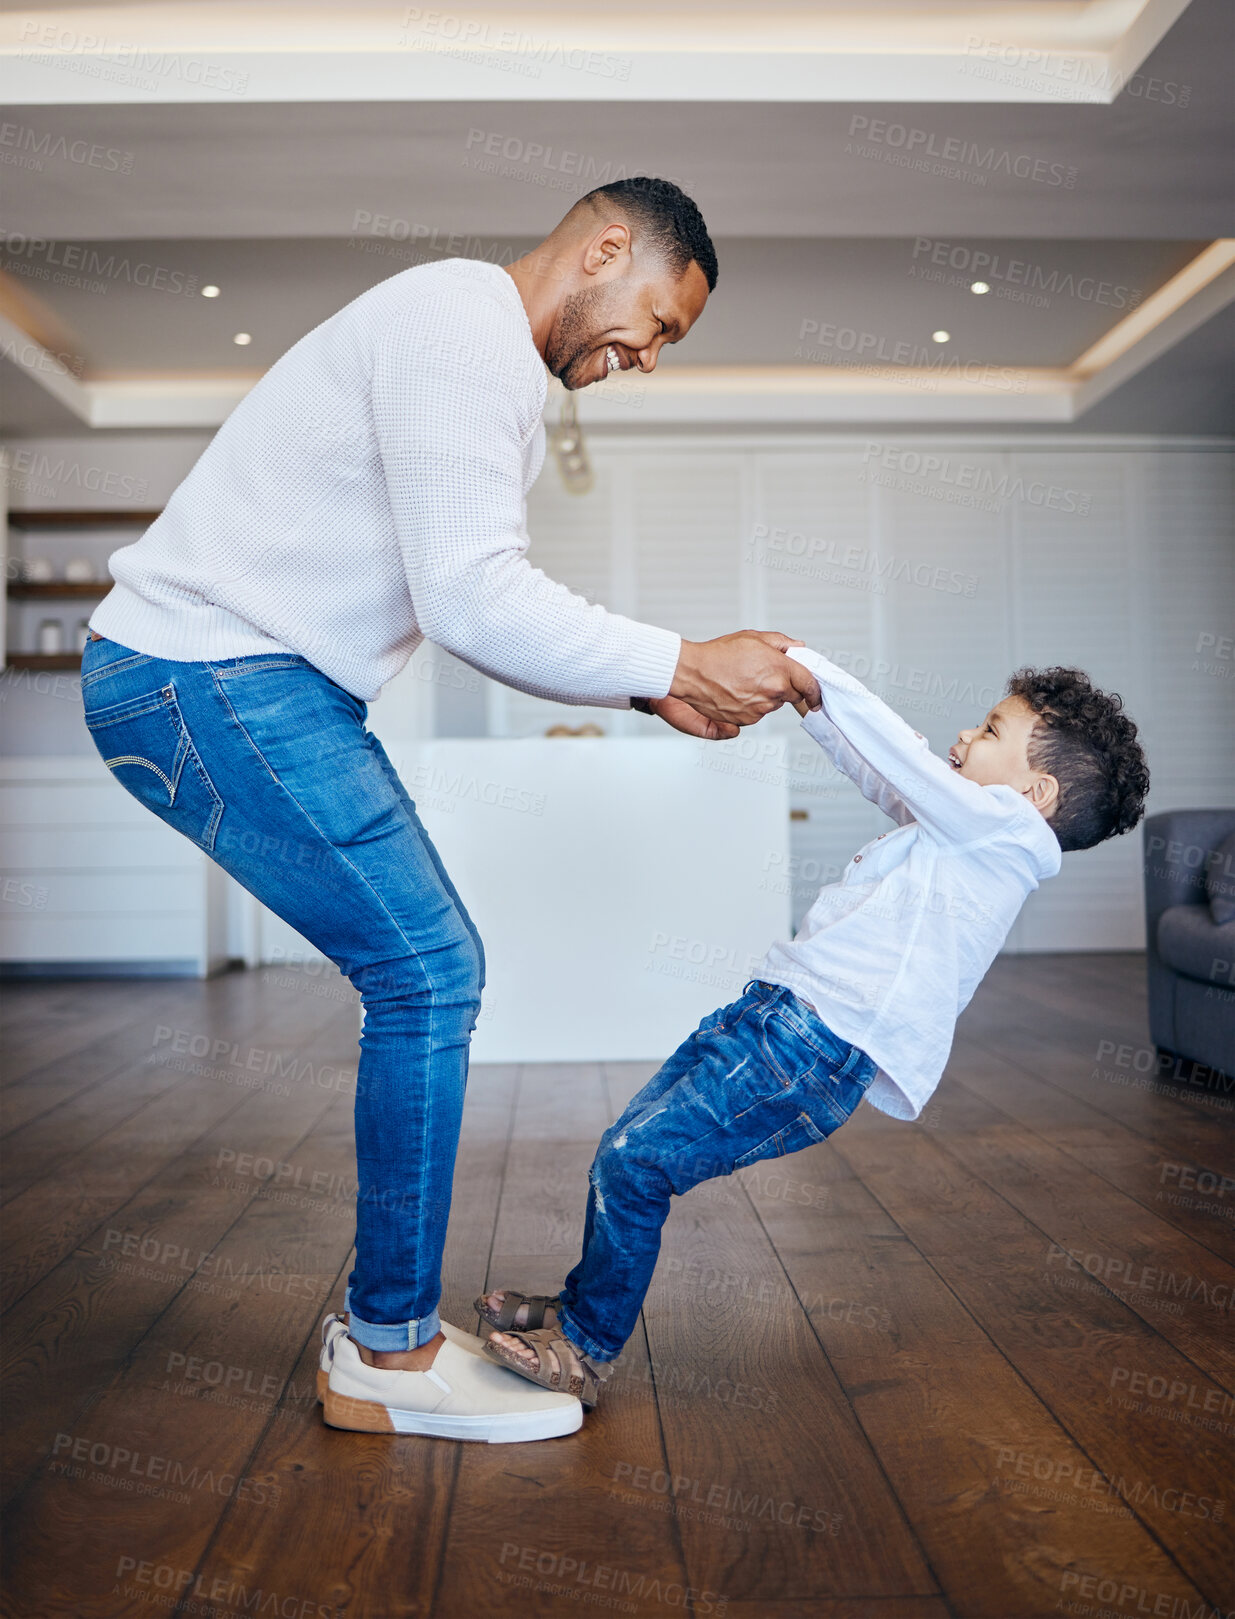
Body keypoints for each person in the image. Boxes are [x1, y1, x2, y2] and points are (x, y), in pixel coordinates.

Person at [80, 176, 821, 1445]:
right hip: (210, 673)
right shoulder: (457, 326)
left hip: (237, 682)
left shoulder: (482, 364)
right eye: (656, 321)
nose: (643, 357)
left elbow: (473, 588)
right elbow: (474, 595)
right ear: (601, 246)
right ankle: (387, 1351)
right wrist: (680, 657)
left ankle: (384, 1334)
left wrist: (652, 692)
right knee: (427, 970)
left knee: (424, 970)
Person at [471, 648, 1151, 1410]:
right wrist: (811, 708)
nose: (964, 733)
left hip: (805, 1050)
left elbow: (903, 758)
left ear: (1035, 793)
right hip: (769, 1016)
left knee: (636, 1163)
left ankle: (586, 1350)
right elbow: (883, 773)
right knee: (626, 1149)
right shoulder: (964, 835)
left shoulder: (1002, 836)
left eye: (990, 730)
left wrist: (812, 671)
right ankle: (583, 1303)